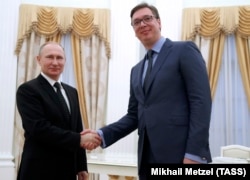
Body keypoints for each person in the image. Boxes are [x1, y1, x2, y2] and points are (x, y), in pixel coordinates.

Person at [84, 2, 212, 179]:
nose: (142, 24)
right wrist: (101, 134)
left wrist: (195, 154)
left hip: (182, 156)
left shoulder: (183, 50)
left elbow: (201, 102)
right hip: (147, 158)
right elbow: (133, 115)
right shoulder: (136, 70)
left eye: (147, 18)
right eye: (136, 22)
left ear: (159, 22)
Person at [16, 41, 101, 180]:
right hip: (39, 170)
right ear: (39, 59)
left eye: (59, 58)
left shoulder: (72, 92)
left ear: (65, 61)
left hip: (68, 170)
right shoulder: (28, 90)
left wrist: (81, 166)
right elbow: (39, 128)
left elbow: (77, 128)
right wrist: (79, 139)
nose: (55, 62)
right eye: (50, 57)